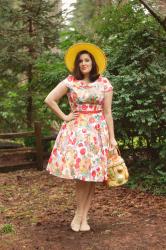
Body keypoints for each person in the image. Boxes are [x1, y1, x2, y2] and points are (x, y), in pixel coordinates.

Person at [44, 43, 118, 232]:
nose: (84, 63)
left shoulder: (104, 83)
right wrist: (66, 116)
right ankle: (78, 214)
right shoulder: (71, 81)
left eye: (87, 60)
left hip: (97, 133)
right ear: (77, 64)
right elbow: (49, 99)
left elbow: (108, 113)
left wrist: (112, 138)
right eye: (81, 61)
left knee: (92, 176)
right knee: (81, 175)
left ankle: (83, 217)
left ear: (93, 63)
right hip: (77, 133)